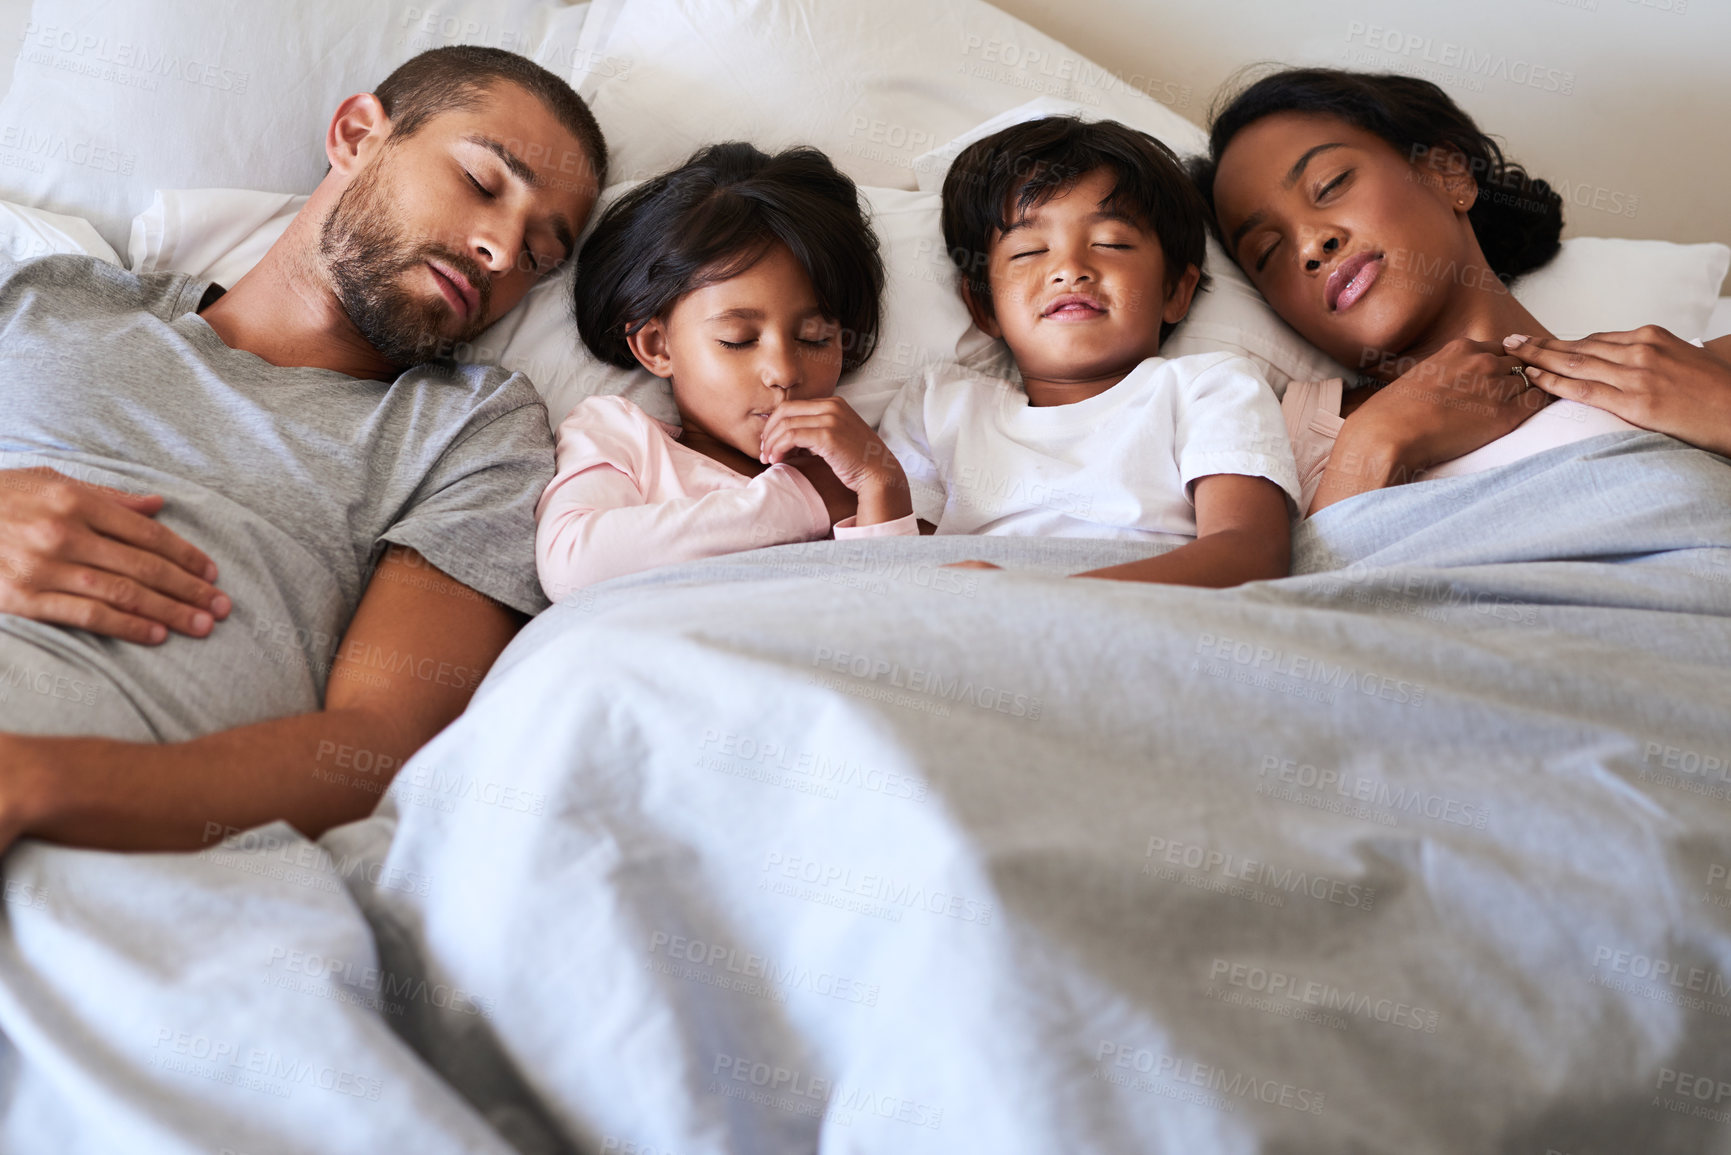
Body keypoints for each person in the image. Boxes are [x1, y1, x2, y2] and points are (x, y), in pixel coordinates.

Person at [0, 46, 605, 852]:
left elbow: (374, 750)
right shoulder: (55, 300)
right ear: (357, 135)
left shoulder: (470, 433)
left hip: (117, 857)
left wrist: (36, 780)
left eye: (538, 256)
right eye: (482, 184)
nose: (500, 251)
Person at [1191, 68, 1731, 515]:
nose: (1310, 245)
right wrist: (1374, 444)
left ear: (1449, 174)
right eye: (1267, 253)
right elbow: (1271, 621)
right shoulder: (1258, 435)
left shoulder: (1680, 366)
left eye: (1330, 186)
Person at [877, 116, 1300, 587]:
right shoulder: (939, 405)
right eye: (1028, 251)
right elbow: (895, 572)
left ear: (1176, 291)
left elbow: (1251, 554)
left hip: (1149, 621)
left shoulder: (1207, 387)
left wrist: (1051, 596)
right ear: (983, 305)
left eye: (1111, 243)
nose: (1070, 269)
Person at [537, 143, 915, 596]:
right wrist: (803, 500)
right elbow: (571, 567)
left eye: (815, 338)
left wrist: (881, 484)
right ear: (658, 346)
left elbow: (893, 620)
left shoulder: (857, 471)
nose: (783, 372)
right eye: (738, 339)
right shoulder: (623, 437)